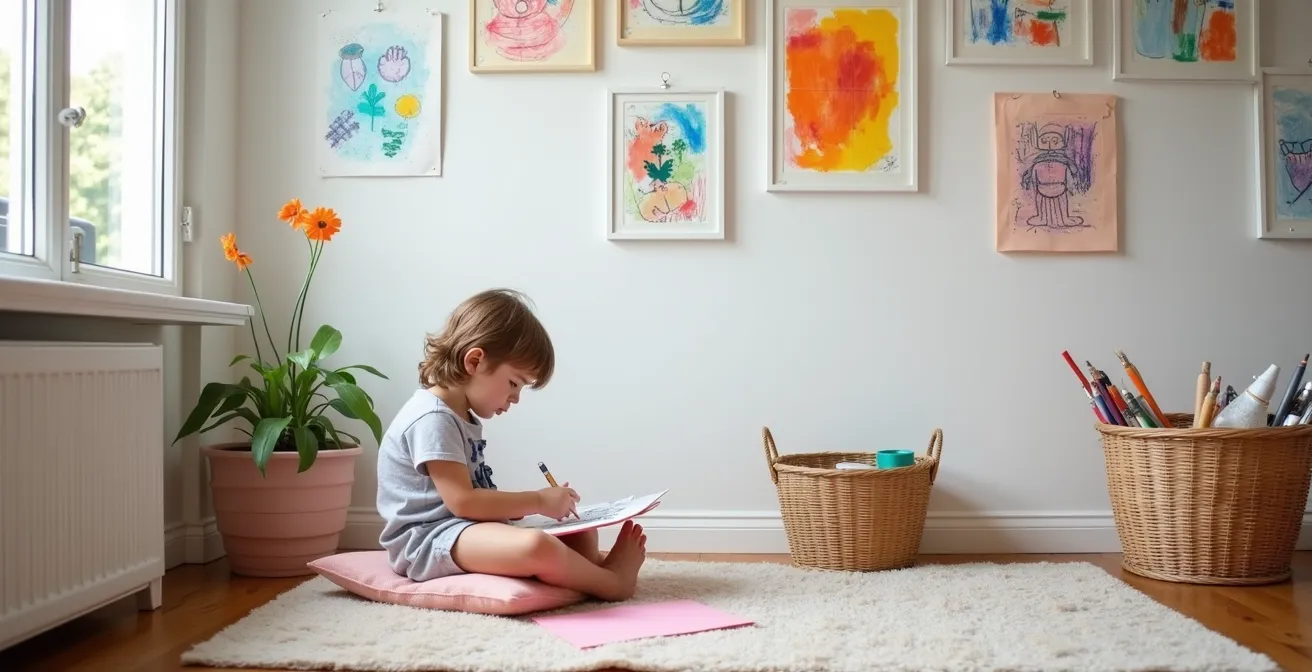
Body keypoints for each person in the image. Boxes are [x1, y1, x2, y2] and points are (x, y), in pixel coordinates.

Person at [376, 288, 647, 601]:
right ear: (475, 361)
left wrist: (533, 506)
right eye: (514, 383)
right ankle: (612, 584)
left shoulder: (459, 414)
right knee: (537, 546)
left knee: (582, 530)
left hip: (463, 529)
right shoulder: (432, 418)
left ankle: (593, 573)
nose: (515, 398)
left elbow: (473, 497)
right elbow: (463, 502)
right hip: (427, 540)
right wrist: (538, 501)